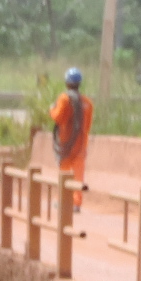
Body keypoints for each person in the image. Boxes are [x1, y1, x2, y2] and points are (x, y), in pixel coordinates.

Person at [47, 66, 93, 206]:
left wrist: (52, 109)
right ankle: (76, 203)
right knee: (78, 176)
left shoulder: (64, 99)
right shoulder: (87, 103)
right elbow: (87, 125)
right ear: (79, 83)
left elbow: (58, 117)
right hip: (80, 146)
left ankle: (64, 201)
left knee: (65, 174)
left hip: (66, 144)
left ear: (67, 83)